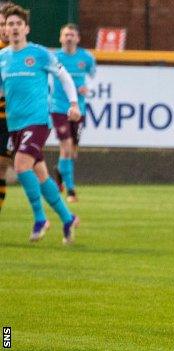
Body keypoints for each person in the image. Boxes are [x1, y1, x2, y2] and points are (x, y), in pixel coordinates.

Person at [0, 4, 80, 243]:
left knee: (21, 165)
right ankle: (67, 218)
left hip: (37, 121)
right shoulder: (2, 58)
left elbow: (64, 76)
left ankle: (40, 218)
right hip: (15, 124)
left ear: (27, 29)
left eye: (18, 24)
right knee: (41, 174)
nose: (13, 28)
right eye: (9, 24)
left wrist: (73, 103)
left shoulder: (39, 54)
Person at [50, 23, 96, 203]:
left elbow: (94, 77)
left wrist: (88, 88)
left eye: (72, 35)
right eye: (65, 35)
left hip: (79, 109)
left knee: (72, 152)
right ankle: (71, 191)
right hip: (59, 107)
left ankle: (59, 174)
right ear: (60, 38)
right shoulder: (54, 58)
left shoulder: (86, 57)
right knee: (66, 147)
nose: (69, 38)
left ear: (78, 38)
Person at [0, 2, 13, 214]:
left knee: (2, 167)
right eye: (1, 24)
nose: (4, 28)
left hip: (9, 117)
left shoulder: (24, 51)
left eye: (8, 24)